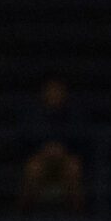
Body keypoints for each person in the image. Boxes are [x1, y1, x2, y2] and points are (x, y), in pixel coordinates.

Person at [19, 77, 85, 213]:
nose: (54, 94)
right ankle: (24, 214)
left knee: (74, 167)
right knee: (33, 168)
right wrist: (44, 150)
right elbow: (26, 140)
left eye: (58, 90)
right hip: (41, 158)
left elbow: (80, 139)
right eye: (51, 90)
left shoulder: (73, 113)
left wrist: (63, 150)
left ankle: (78, 214)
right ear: (44, 93)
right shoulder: (34, 114)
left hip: (66, 158)